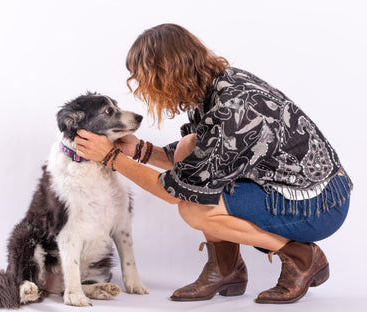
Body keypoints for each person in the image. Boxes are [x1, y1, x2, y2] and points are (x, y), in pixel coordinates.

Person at [74, 23, 352, 304]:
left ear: (167, 73)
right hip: (296, 187)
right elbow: (201, 158)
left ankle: (302, 257)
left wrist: (111, 157)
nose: (142, 87)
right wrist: (141, 150)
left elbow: (172, 193)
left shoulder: (233, 109)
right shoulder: (216, 85)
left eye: (147, 77)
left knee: (195, 210)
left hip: (321, 203)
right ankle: (226, 270)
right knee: (187, 146)